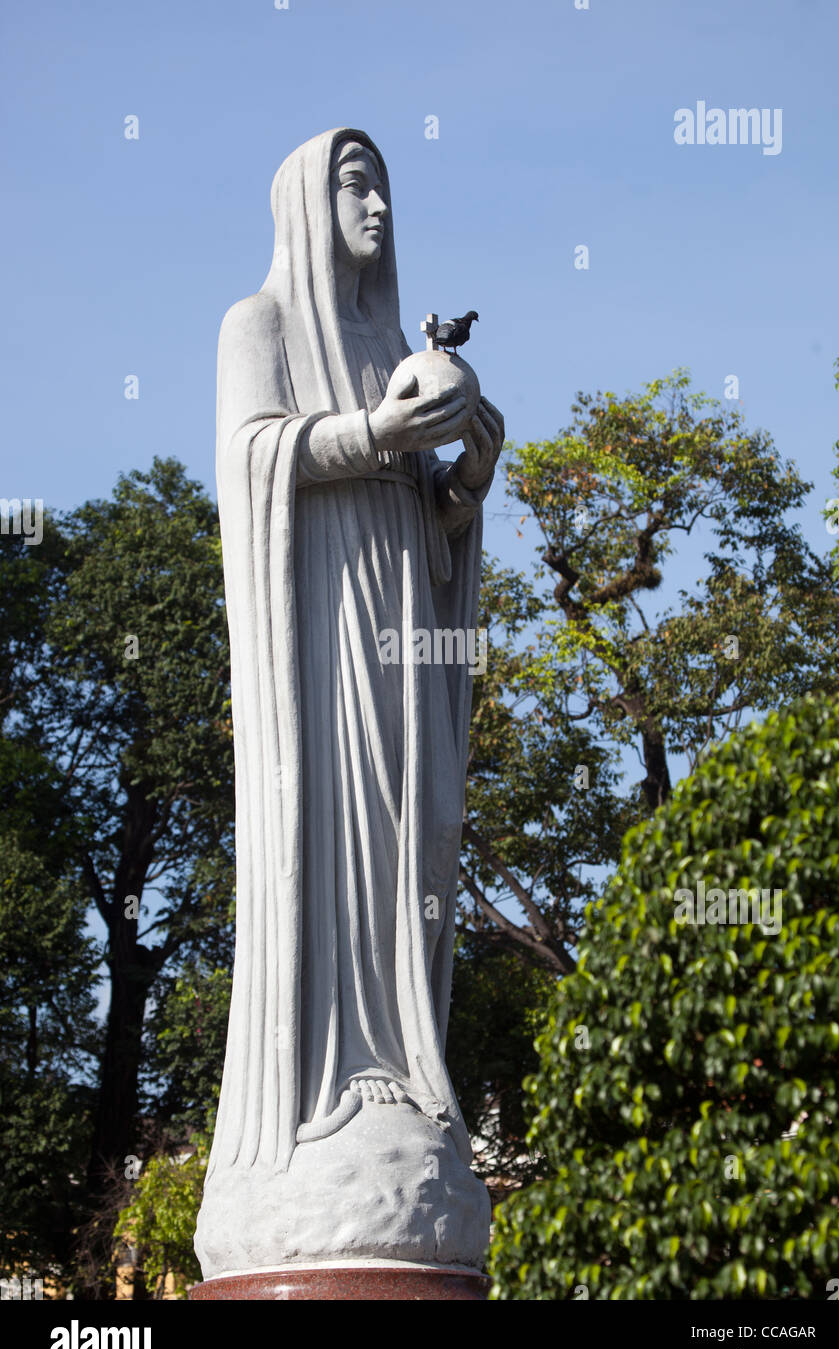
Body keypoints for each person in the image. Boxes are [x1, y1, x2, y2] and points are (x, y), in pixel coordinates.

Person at [199, 130, 502, 1267]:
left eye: (383, 182)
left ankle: (403, 1059)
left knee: (419, 833)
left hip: (401, 630)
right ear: (303, 201)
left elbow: (432, 522)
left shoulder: (390, 338)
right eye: (354, 181)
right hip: (317, 632)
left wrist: (462, 476)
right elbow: (249, 458)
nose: (376, 201)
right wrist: (375, 430)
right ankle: (328, 1074)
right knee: (332, 833)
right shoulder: (258, 324)